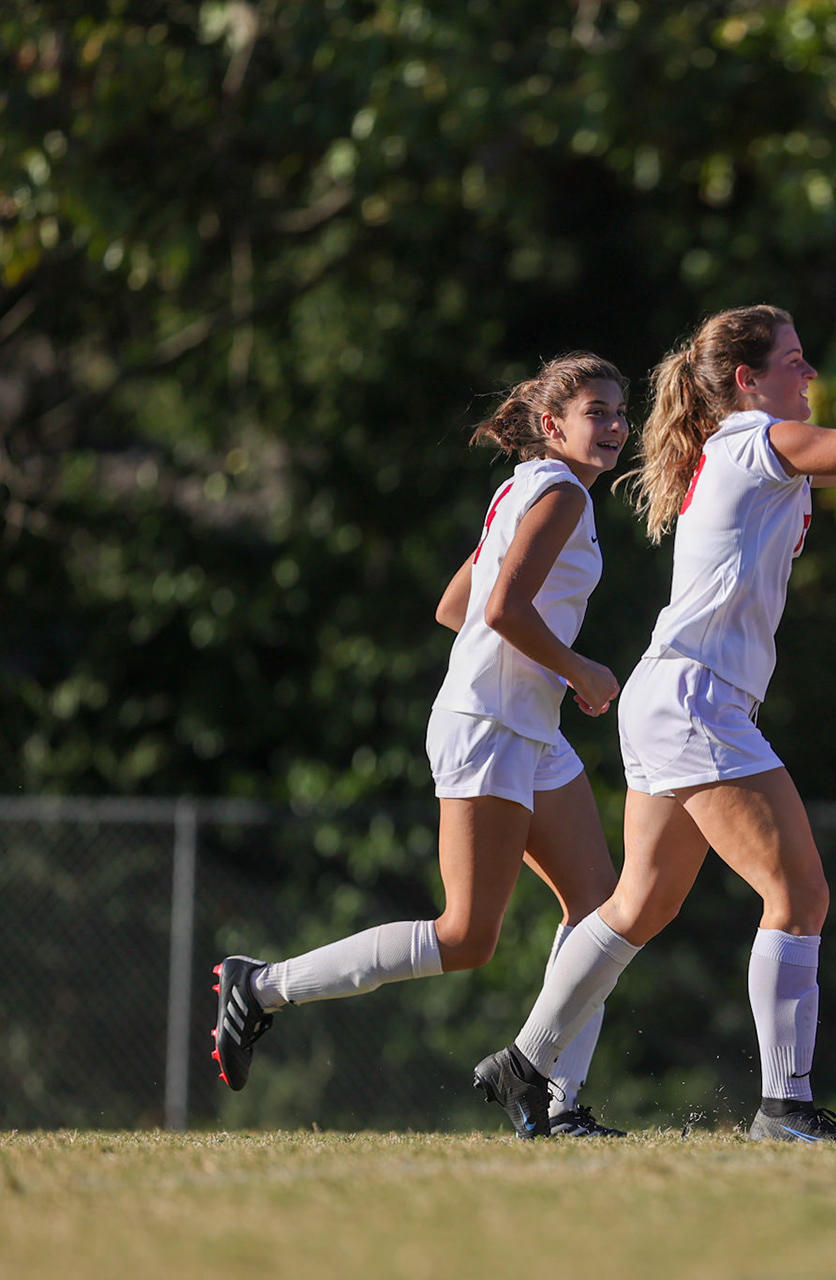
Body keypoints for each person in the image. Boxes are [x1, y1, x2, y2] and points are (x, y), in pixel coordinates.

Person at [472, 264, 836, 1140]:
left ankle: (521, 1064)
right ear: (748, 381)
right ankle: (784, 1106)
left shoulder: (744, 448)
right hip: (696, 699)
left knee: (639, 907)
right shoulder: (755, 441)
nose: (807, 373)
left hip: (680, 694)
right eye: (793, 359)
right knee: (799, 892)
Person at [212, 353, 632, 1136]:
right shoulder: (564, 493)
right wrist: (581, 669)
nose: (615, 426)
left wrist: (543, 674)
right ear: (552, 426)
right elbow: (499, 609)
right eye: (597, 412)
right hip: (489, 727)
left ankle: (557, 1103)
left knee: (603, 907)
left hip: (524, 725)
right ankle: (262, 987)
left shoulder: (522, 487)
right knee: (466, 937)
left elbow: (453, 608)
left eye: (619, 411)